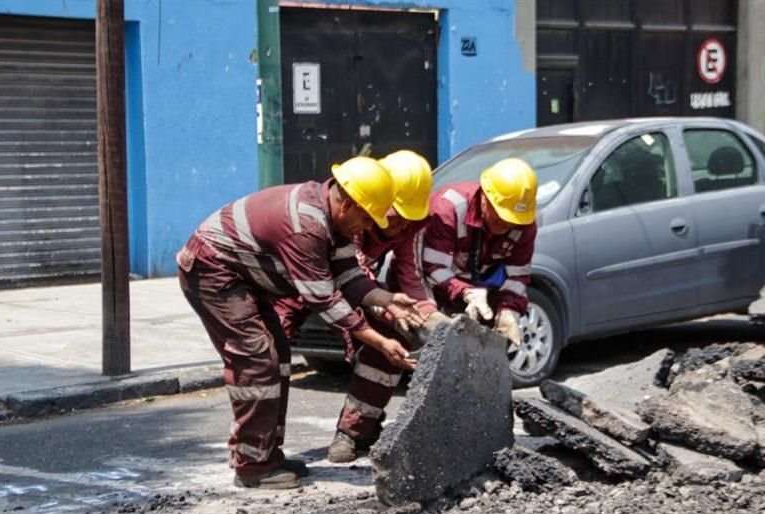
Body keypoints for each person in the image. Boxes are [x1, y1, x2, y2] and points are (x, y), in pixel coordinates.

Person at [176, 156, 425, 490]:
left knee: (277, 354)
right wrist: (379, 342)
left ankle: (265, 454)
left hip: (243, 276)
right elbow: (324, 299)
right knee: (257, 360)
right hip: (213, 271)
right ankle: (253, 467)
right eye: (365, 218)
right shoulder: (306, 227)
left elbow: (349, 275)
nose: (367, 227)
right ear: (348, 204)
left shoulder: (334, 219)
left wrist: (386, 299)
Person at [275, 150, 444, 463]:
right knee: (271, 357)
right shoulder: (352, 216)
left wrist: (429, 316)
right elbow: (354, 276)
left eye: (409, 219)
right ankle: (263, 451)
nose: (401, 227)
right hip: (301, 289)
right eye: (396, 217)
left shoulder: (408, 225)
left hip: (355, 289)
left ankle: (354, 433)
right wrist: (385, 310)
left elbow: (411, 274)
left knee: (391, 349)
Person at [420, 157, 538, 347]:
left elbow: (518, 277)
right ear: (484, 196)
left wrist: (508, 310)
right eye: (501, 214)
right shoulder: (449, 209)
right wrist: (466, 292)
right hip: (429, 295)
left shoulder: (524, 225)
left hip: (478, 300)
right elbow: (432, 267)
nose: (507, 224)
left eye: (513, 219)